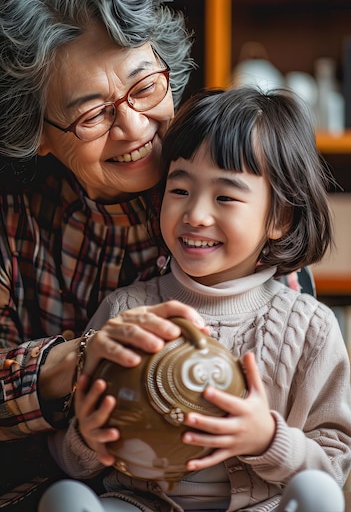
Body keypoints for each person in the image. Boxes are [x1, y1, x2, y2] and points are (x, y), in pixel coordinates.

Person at [48, 86, 351, 512]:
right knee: (65, 498)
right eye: (180, 190)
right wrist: (86, 442)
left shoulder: (310, 326)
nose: (195, 215)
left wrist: (267, 438)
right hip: (139, 503)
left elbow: (334, 464)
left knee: (319, 496)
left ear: (279, 217)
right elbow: (68, 456)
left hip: (260, 506)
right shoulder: (127, 312)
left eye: (225, 196)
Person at [0, 0, 209, 506]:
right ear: (37, 132)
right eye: (93, 115)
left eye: (145, 88)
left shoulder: (223, 180)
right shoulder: (13, 216)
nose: (136, 127)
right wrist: (83, 361)